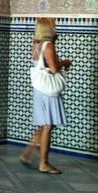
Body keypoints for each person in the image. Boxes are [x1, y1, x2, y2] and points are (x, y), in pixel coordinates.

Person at [20, 17, 71, 174]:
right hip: (48, 90)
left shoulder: (36, 44)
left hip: (39, 89)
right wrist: (65, 62)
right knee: (48, 125)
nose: (55, 27)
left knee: (46, 124)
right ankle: (44, 163)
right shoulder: (48, 46)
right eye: (53, 26)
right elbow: (54, 68)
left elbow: (43, 63)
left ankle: (29, 151)